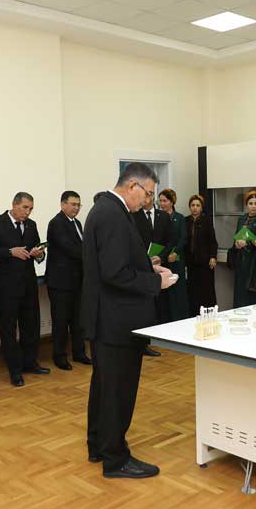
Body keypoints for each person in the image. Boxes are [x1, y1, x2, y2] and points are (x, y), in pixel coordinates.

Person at [81, 162, 177, 479]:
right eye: (147, 193)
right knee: (118, 392)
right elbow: (114, 273)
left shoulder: (107, 210)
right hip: (116, 321)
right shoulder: (112, 214)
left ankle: (99, 445)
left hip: (108, 319)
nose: (148, 201)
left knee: (105, 388)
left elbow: (118, 262)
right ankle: (116, 459)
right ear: (132, 185)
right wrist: (155, 282)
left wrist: (149, 268)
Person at [0, 192, 48, 388]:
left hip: (29, 284)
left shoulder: (31, 225)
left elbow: (38, 251)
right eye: (25, 208)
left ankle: (30, 363)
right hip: (6, 286)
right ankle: (15, 370)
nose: (28, 212)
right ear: (14, 204)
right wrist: (10, 252)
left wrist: (39, 254)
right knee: (8, 329)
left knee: (31, 325)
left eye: (31, 209)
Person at [45, 191, 90, 371]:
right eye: (73, 204)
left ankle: (79, 353)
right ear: (63, 204)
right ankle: (59, 356)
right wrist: (93, 256)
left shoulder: (77, 223)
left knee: (78, 321)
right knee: (61, 321)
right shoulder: (56, 223)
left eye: (78, 205)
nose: (76, 208)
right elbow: (70, 249)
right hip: (60, 282)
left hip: (78, 281)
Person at [134, 194, 175, 356]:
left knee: (161, 303)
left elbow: (171, 240)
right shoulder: (133, 216)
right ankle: (143, 342)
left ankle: (161, 335)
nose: (145, 199)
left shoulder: (163, 216)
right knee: (145, 305)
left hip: (160, 265)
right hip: (141, 266)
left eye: (149, 195)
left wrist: (161, 257)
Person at [228, 189, 256, 308]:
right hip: (240, 259)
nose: (253, 206)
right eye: (250, 203)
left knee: (251, 293)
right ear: (246, 204)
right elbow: (236, 235)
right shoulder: (242, 219)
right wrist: (236, 244)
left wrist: (247, 243)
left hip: (253, 261)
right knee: (239, 291)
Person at [157, 188, 189, 322]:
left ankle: (180, 319)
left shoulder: (179, 218)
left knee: (178, 291)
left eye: (165, 201)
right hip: (162, 260)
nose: (162, 204)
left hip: (176, 259)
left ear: (172, 202)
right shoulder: (158, 217)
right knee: (164, 293)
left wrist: (176, 252)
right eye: (160, 201)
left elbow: (183, 238)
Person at [184, 194, 218, 316]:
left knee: (206, 290)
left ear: (201, 207)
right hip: (190, 262)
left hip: (205, 262)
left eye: (198, 205)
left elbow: (213, 241)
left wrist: (213, 257)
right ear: (189, 207)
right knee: (192, 290)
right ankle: (193, 315)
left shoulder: (206, 221)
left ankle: (209, 315)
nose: (195, 208)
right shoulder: (185, 221)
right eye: (192, 205)